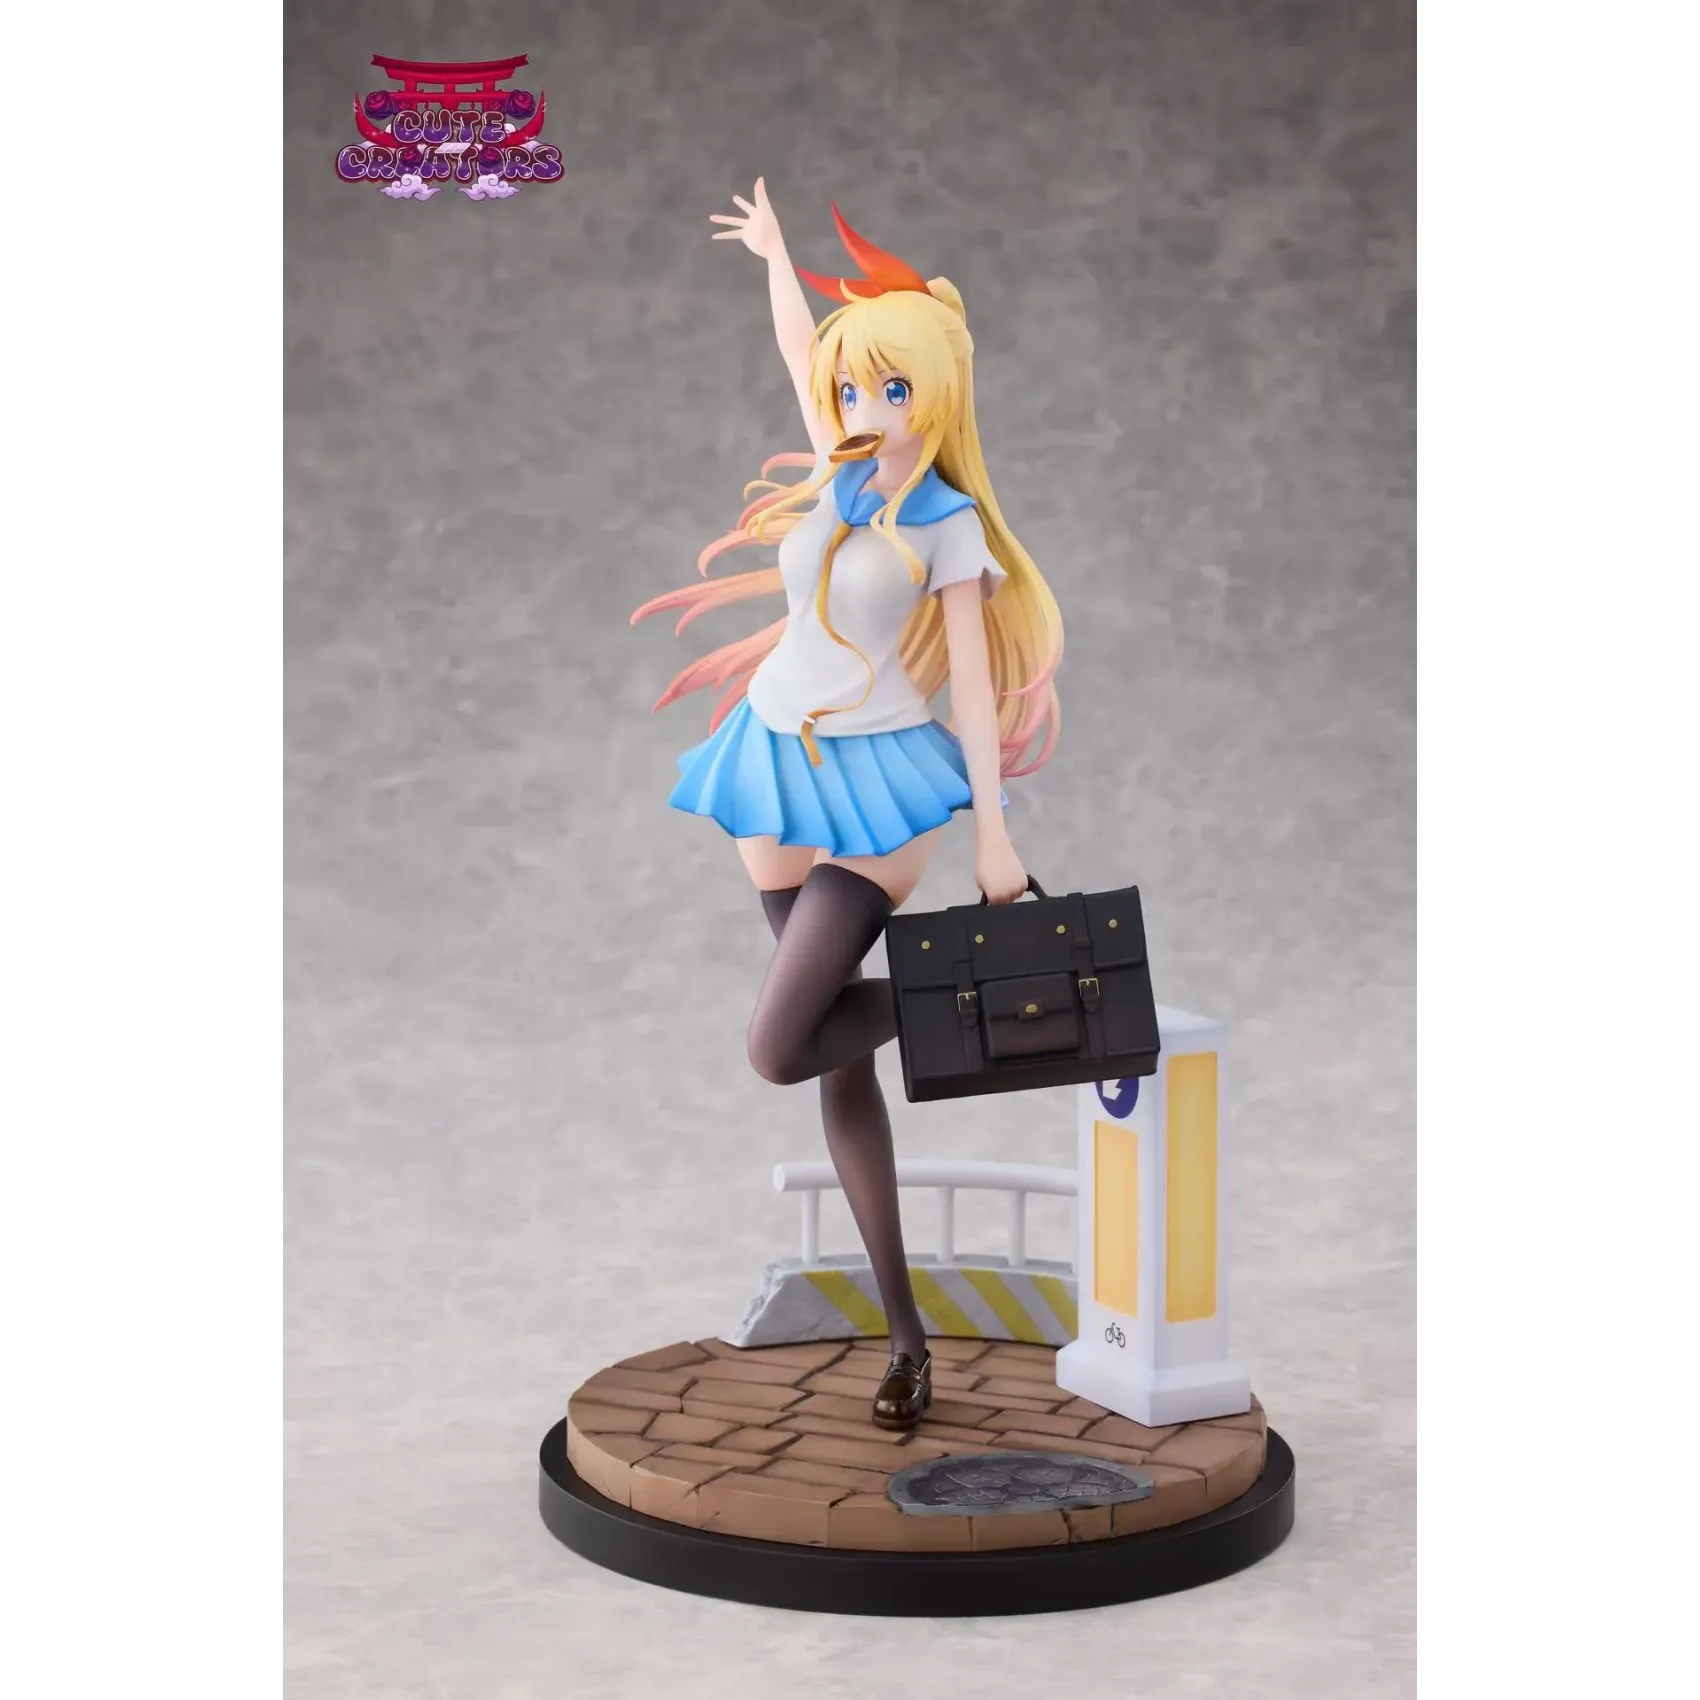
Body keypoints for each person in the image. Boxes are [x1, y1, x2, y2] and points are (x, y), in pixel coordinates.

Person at [631, 182, 1064, 1428]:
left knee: (780, 1046)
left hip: (879, 789)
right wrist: (776, 257)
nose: (865, 408)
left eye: (891, 388)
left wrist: (991, 839)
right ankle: (906, 1339)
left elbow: (971, 685)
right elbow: (794, 350)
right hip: (773, 764)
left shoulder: (948, 524)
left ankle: (966, 991)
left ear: (935, 393)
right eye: (853, 387)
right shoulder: (836, 461)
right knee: (835, 1060)